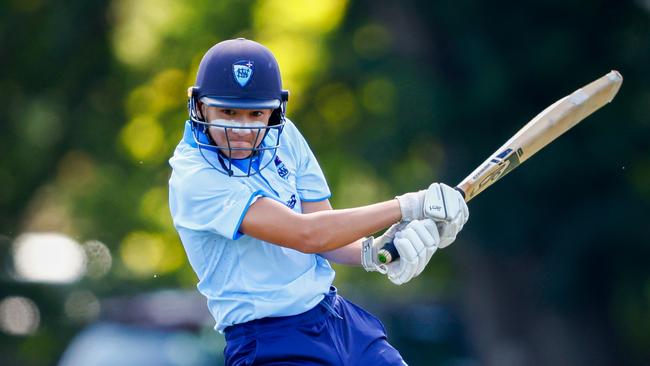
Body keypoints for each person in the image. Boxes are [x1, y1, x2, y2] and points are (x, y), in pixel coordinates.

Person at [168, 38, 469, 365]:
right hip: (269, 343)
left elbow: (325, 237)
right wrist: (409, 205)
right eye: (228, 112)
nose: (242, 128)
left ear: (274, 109)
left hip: (336, 319)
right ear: (199, 106)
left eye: (256, 113)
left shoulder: (284, 136)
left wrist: (374, 252)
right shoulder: (194, 178)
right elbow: (307, 234)